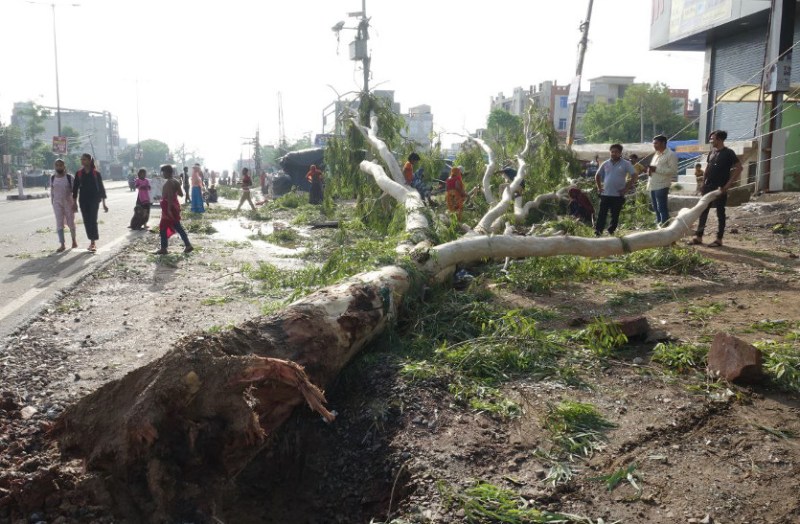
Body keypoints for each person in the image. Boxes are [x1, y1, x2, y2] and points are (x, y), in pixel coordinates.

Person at [688, 130, 742, 247]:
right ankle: (698, 236)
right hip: (707, 187)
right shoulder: (712, 152)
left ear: (720, 139)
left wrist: (728, 185)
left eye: (713, 138)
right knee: (703, 211)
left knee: (720, 212)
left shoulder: (729, 153)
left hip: (720, 188)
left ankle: (719, 239)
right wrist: (703, 183)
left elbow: (739, 168)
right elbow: (707, 168)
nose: (710, 140)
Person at [594, 144, 634, 236]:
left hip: (618, 195)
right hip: (605, 193)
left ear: (620, 153)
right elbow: (597, 175)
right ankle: (598, 231)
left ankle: (611, 230)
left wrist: (626, 189)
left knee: (615, 215)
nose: (614, 154)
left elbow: (634, 175)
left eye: (616, 152)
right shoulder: (605, 163)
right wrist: (599, 187)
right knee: (602, 214)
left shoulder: (626, 164)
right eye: (612, 152)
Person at [72, 153, 108, 252]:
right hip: (83, 201)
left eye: (84, 159)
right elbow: (75, 189)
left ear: (89, 160)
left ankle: (93, 243)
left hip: (94, 200)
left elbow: (101, 189)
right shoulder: (79, 173)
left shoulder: (96, 174)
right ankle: (91, 240)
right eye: (81, 159)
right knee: (86, 221)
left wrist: (104, 204)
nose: (82, 161)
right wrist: (74, 203)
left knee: (93, 220)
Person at [155, 164, 193, 255]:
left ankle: (164, 248)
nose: (163, 174)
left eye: (163, 172)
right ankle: (187, 245)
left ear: (168, 172)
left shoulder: (169, 182)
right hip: (174, 207)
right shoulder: (175, 181)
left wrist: (168, 210)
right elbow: (180, 194)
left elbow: (171, 196)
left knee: (163, 227)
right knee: (178, 227)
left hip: (169, 208)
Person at [647, 135, 678, 227]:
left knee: (661, 207)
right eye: (653, 143)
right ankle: (658, 223)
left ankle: (665, 224)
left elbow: (673, 171)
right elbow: (653, 168)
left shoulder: (671, 155)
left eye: (656, 143)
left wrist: (656, 169)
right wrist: (649, 171)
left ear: (663, 143)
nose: (654, 145)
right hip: (652, 184)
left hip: (662, 185)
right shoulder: (656, 154)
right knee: (655, 207)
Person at [50, 159, 77, 252]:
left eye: (60, 165)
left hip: (68, 203)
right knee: (59, 223)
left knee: (71, 222)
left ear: (64, 166)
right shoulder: (53, 177)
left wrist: (75, 203)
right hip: (57, 203)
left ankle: (74, 240)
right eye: (57, 165)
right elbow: (52, 190)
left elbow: (75, 192)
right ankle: (62, 244)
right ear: (55, 167)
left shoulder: (69, 177)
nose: (58, 167)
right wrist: (52, 202)